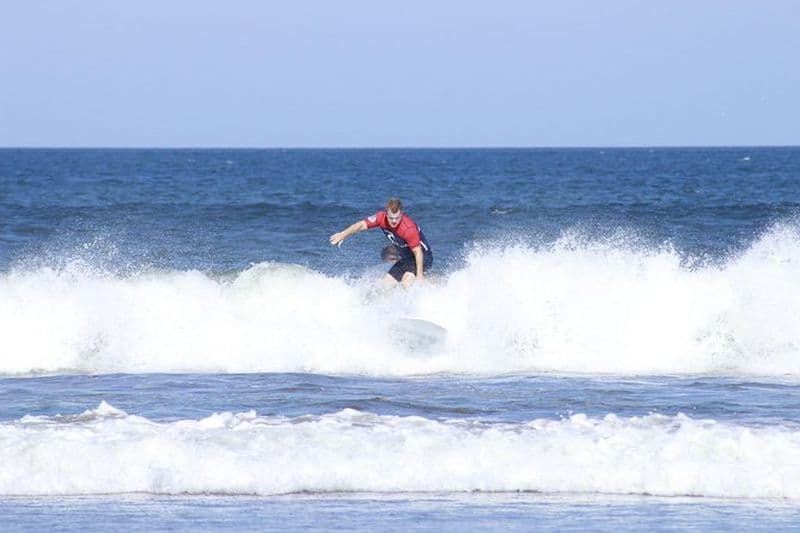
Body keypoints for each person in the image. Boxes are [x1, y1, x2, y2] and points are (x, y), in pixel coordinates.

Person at [329, 197, 433, 287]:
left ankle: (422, 301)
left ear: (401, 214)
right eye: (391, 218)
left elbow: (418, 252)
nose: (394, 221)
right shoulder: (380, 218)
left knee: (407, 281)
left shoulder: (408, 229)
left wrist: (420, 276)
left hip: (422, 257)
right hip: (407, 258)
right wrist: (343, 234)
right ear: (386, 213)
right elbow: (360, 225)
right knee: (384, 285)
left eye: (397, 218)